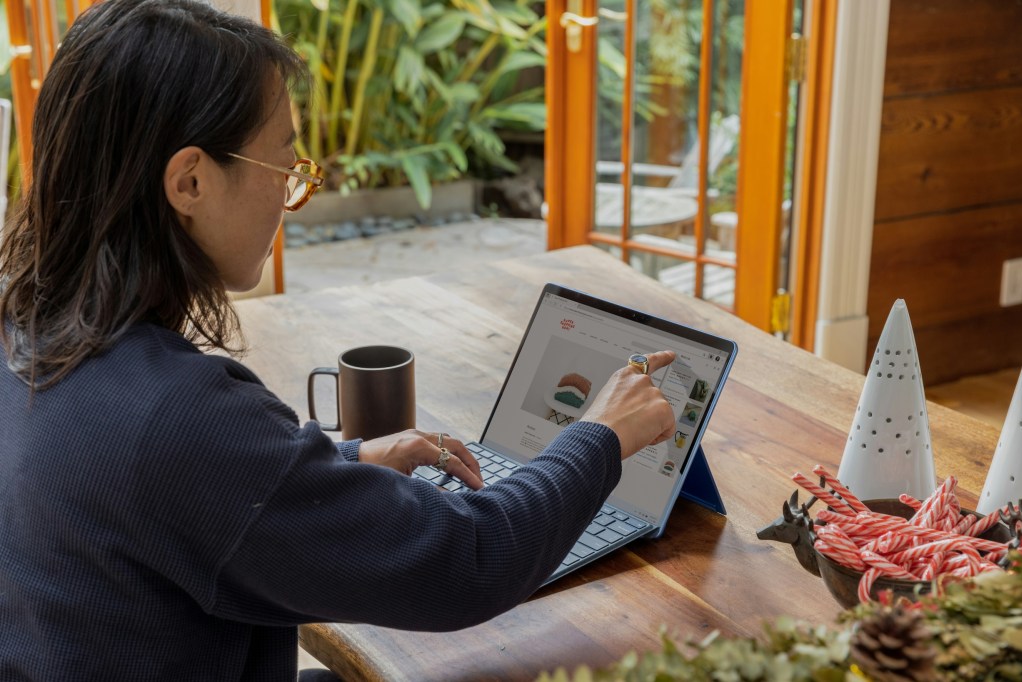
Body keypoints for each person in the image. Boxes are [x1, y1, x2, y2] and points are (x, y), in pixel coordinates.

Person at [0, 1, 676, 680]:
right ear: (190, 182)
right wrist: (603, 436)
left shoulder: (20, 332)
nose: (290, 199)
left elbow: (176, 496)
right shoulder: (175, 415)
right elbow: (468, 560)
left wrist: (342, 465)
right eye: (283, 166)